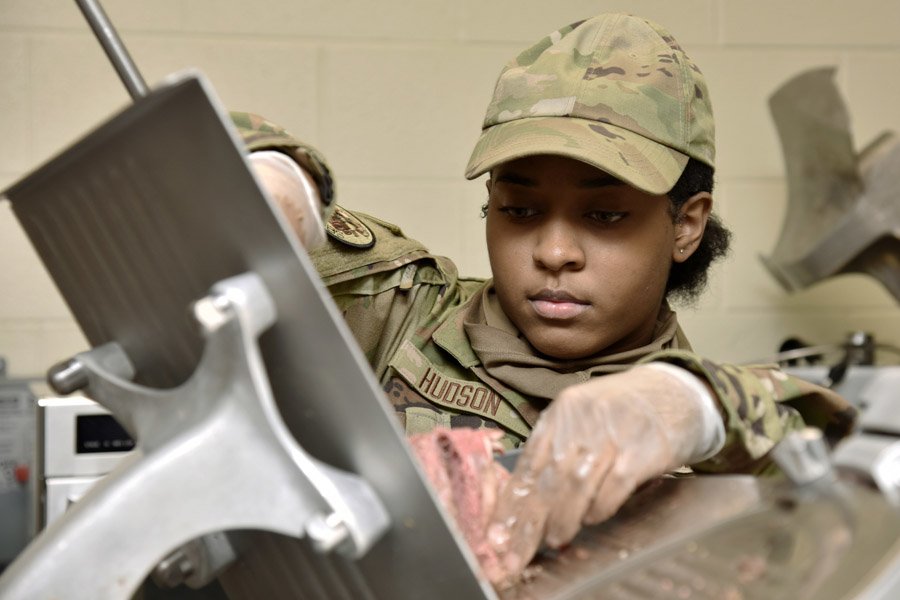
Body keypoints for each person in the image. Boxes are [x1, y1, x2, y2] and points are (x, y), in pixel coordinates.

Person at [235, 13, 855, 582]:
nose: (554, 251)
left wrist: (696, 403)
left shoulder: (709, 435)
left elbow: (850, 468)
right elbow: (199, 157)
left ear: (686, 226)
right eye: (520, 210)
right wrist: (278, 176)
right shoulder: (401, 314)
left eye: (606, 215)